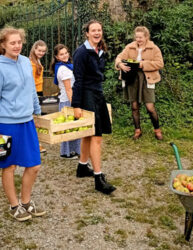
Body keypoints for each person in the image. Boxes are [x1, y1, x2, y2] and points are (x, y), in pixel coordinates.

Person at [0, 27, 46, 222]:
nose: (17, 46)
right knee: (10, 166)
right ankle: (14, 205)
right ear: (3, 45)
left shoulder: (25, 62)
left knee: (34, 165)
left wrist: (37, 112)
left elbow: (31, 90)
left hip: (27, 121)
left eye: (19, 42)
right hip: (7, 124)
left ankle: (26, 201)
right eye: (12, 43)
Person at [72, 20, 116, 195]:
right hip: (87, 96)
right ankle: (99, 179)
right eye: (93, 30)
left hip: (98, 94)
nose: (97, 33)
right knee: (96, 137)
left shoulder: (100, 51)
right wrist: (76, 105)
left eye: (99, 29)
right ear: (87, 33)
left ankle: (82, 167)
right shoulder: (81, 53)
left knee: (89, 136)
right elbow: (78, 80)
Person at [115, 26, 164, 140]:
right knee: (134, 106)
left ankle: (157, 130)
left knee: (150, 106)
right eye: (137, 37)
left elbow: (160, 63)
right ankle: (137, 130)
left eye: (141, 37)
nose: (138, 39)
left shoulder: (154, 48)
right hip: (132, 78)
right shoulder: (130, 47)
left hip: (147, 78)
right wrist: (120, 64)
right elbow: (119, 58)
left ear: (146, 37)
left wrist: (142, 64)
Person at [50, 44, 81, 159]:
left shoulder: (67, 66)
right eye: (61, 54)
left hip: (68, 99)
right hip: (68, 100)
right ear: (57, 57)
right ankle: (67, 153)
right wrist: (75, 104)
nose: (65, 55)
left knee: (72, 126)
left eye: (66, 53)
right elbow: (68, 89)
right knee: (69, 127)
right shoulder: (63, 69)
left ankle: (73, 151)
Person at [29, 40, 47, 153]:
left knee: (36, 118)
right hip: (33, 92)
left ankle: (35, 143)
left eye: (43, 51)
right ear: (34, 49)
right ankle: (36, 144)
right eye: (39, 50)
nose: (41, 53)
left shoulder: (38, 61)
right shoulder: (30, 62)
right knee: (34, 119)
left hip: (39, 91)